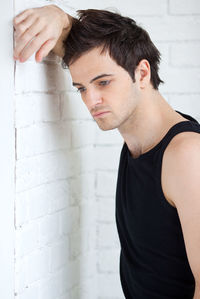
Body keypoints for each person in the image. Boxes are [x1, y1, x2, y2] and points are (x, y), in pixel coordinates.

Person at [13, 5, 200, 299]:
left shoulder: (187, 154)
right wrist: (59, 18)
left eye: (103, 82)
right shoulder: (140, 139)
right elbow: (87, 55)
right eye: (82, 88)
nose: (92, 100)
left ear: (142, 73)